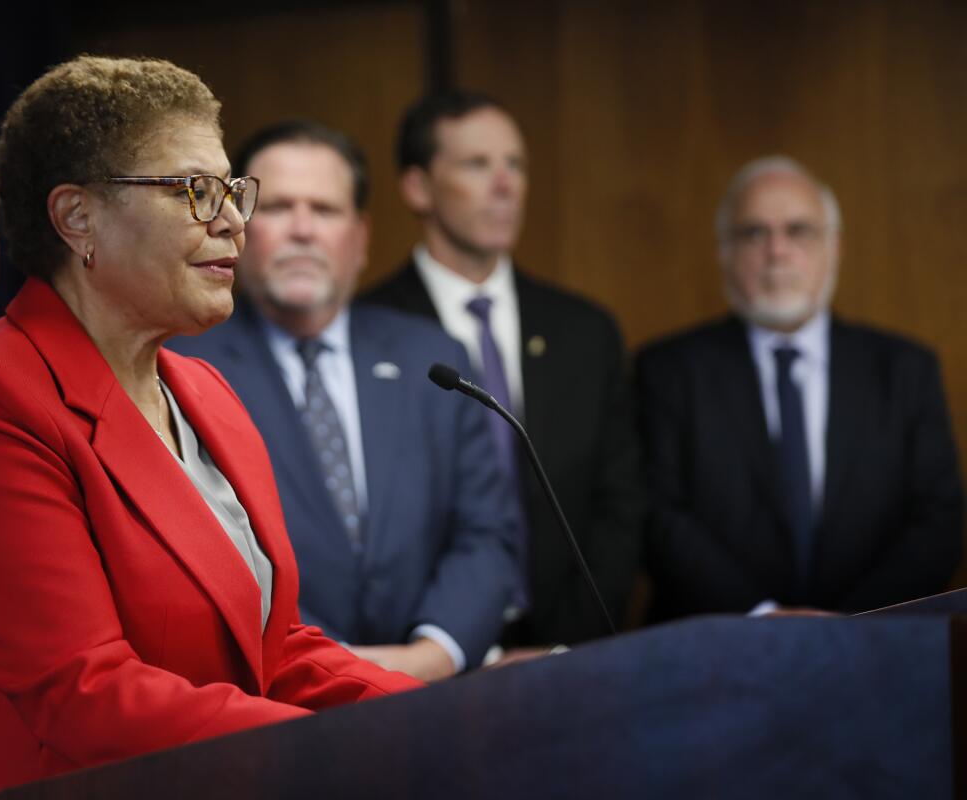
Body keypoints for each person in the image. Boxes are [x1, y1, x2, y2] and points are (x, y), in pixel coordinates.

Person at [0, 57, 420, 800]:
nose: (231, 218)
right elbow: (83, 692)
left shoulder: (207, 393)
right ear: (76, 219)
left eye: (231, 189)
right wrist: (325, 752)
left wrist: (432, 718)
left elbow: (276, 650)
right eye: (195, 190)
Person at [169, 121, 520, 681]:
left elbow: (487, 532)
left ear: (360, 238)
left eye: (326, 211)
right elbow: (203, 558)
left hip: (433, 693)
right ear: (236, 228)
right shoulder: (183, 367)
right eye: (280, 207)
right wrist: (332, 669)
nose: (303, 230)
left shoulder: (432, 358)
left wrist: (432, 654)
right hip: (276, 703)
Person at [364, 91, 643, 647]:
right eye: (477, 164)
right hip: (427, 656)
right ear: (417, 187)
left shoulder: (583, 329)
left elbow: (621, 503)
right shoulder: (368, 330)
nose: (505, 184)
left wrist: (567, 642)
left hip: (571, 649)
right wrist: (444, 647)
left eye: (515, 164)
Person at [635, 156, 964, 620]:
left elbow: (939, 521)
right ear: (723, 252)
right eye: (753, 233)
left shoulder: (906, 369)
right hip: (717, 650)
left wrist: (850, 626)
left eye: (799, 231)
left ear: (835, 247)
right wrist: (764, 616)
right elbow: (658, 517)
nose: (777, 251)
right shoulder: (666, 370)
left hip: (878, 650)